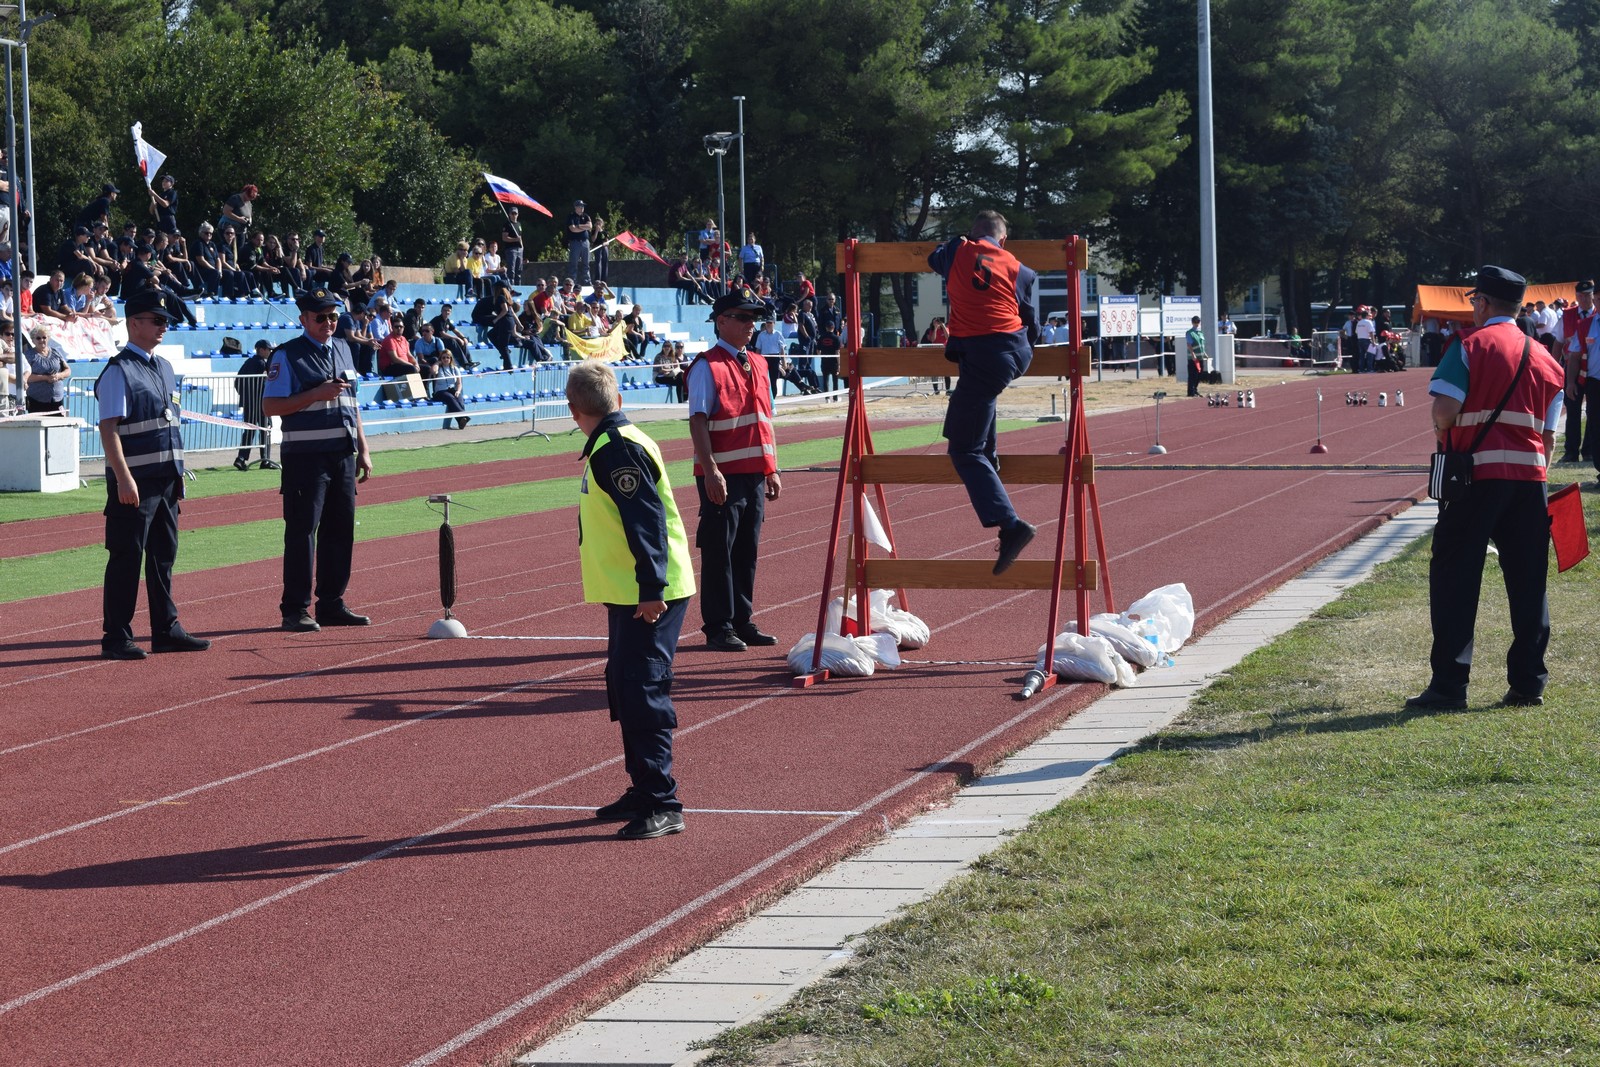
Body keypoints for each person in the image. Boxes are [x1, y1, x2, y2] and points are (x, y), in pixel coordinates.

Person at [1407, 265, 1565, 711]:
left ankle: (1450, 686)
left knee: (1456, 576)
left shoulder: (1469, 347)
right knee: (1528, 581)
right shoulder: (1545, 357)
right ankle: (1528, 682)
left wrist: (1445, 435)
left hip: (1474, 477)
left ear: (1483, 302)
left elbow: (1445, 409)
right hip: (1529, 480)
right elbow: (1550, 433)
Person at [568, 358, 695, 840]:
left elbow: (646, 523)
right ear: (616, 399)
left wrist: (650, 589)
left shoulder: (615, 448)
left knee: (643, 690)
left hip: (647, 594)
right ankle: (643, 788)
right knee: (626, 685)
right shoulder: (613, 441)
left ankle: (663, 800)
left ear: (573, 407)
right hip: (632, 591)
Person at [94, 290, 211, 660]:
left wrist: (177, 477)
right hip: (135, 484)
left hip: (164, 481)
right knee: (126, 557)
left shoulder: (163, 367)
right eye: (156, 320)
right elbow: (109, 429)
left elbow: (168, 427)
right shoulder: (119, 370)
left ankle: (166, 630)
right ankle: (116, 636)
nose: (164, 326)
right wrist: (123, 478)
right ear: (134, 324)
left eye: (165, 321)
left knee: (163, 556)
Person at [927, 209, 1039, 574]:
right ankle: (989, 463)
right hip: (1015, 350)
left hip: (984, 355)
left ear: (973, 233)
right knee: (979, 412)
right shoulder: (1019, 267)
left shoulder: (957, 251)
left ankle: (1010, 524)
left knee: (962, 449)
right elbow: (1032, 318)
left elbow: (933, 257)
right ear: (1003, 240)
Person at [261, 287, 374, 633]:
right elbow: (270, 407)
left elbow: (351, 404)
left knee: (340, 532)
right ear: (304, 320)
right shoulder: (286, 355)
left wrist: (363, 447)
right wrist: (315, 394)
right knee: (302, 533)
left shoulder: (342, 348)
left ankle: (332, 603)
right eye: (321, 317)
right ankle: (295, 609)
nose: (329, 322)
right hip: (305, 459)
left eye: (333, 316)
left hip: (341, 454)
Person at [687, 290, 781, 651]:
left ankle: (742, 620)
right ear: (721, 321)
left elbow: (765, 420)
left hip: (754, 473)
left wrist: (771, 468)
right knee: (718, 551)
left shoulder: (757, 362)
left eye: (752, 318)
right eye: (742, 318)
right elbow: (698, 421)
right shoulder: (706, 366)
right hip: (722, 475)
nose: (750, 324)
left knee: (747, 550)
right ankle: (718, 626)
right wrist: (710, 469)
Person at [1562, 280, 1597, 462]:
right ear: (1576, 296)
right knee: (1573, 412)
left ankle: (1589, 451)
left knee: (1593, 414)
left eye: (1587, 295)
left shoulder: (1596, 317)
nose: (1584, 299)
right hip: (1574, 372)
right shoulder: (1567, 315)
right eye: (1580, 296)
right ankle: (1571, 451)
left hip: (1592, 374)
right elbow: (1559, 341)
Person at [234, 338, 279, 471]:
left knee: (250, 430)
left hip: (251, 403)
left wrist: (246, 397)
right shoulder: (260, 364)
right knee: (265, 430)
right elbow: (266, 386)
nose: (270, 352)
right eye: (268, 350)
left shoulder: (249, 362)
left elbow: (238, 383)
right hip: (259, 403)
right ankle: (264, 459)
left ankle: (242, 458)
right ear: (261, 350)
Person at [23, 322, 71, 413]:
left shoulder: (55, 352)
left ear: (48, 338)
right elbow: (26, 376)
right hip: (36, 400)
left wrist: (58, 376)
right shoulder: (28, 355)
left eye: (44, 337)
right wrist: (46, 378)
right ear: (33, 340)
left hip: (57, 399)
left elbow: (68, 370)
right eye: (38, 338)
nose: (42, 340)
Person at [432, 349, 470, 430]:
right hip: (440, 392)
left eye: (447, 357)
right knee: (450, 397)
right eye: (443, 358)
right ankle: (464, 417)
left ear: (451, 359)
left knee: (459, 398)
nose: (446, 359)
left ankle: (461, 421)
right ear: (440, 359)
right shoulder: (438, 367)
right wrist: (437, 363)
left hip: (452, 389)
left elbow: (459, 383)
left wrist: (458, 391)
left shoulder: (455, 368)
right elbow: (433, 371)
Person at [565, 199, 592, 286]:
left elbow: (590, 226)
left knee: (586, 263)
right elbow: (572, 229)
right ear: (576, 207)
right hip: (575, 242)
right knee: (574, 263)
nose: (582, 208)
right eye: (580, 206)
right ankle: (572, 281)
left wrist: (579, 226)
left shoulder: (586, 216)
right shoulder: (571, 216)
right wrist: (583, 228)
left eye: (583, 206)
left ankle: (587, 281)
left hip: (585, 242)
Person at [500, 206, 524, 285]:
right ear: (509, 214)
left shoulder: (519, 224)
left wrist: (522, 246)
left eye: (515, 213)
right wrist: (515, 239)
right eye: (512, 213)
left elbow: (520, 237)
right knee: (511, 270)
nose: (514, 215)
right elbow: (504, 238)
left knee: (519, 270)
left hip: (519, 249)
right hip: (511, 249)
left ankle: (519, 286)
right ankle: (512, 287)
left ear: (518, 214)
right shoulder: (507, 224)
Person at [1185, 315, 1206, 397]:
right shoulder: (1190, 333)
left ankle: (1195, 389)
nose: (1197, 324)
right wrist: (1193, 354)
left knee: (1199, 375)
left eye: (1198, 322)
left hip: (1200, 357)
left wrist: (1205, 353)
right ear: (1192, 323)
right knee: (1193, 375)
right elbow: (1189, 344)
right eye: (1195, 322)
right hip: (1193, 358)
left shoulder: (1200, 333)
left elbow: (1201, 344)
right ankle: (1191, 392)